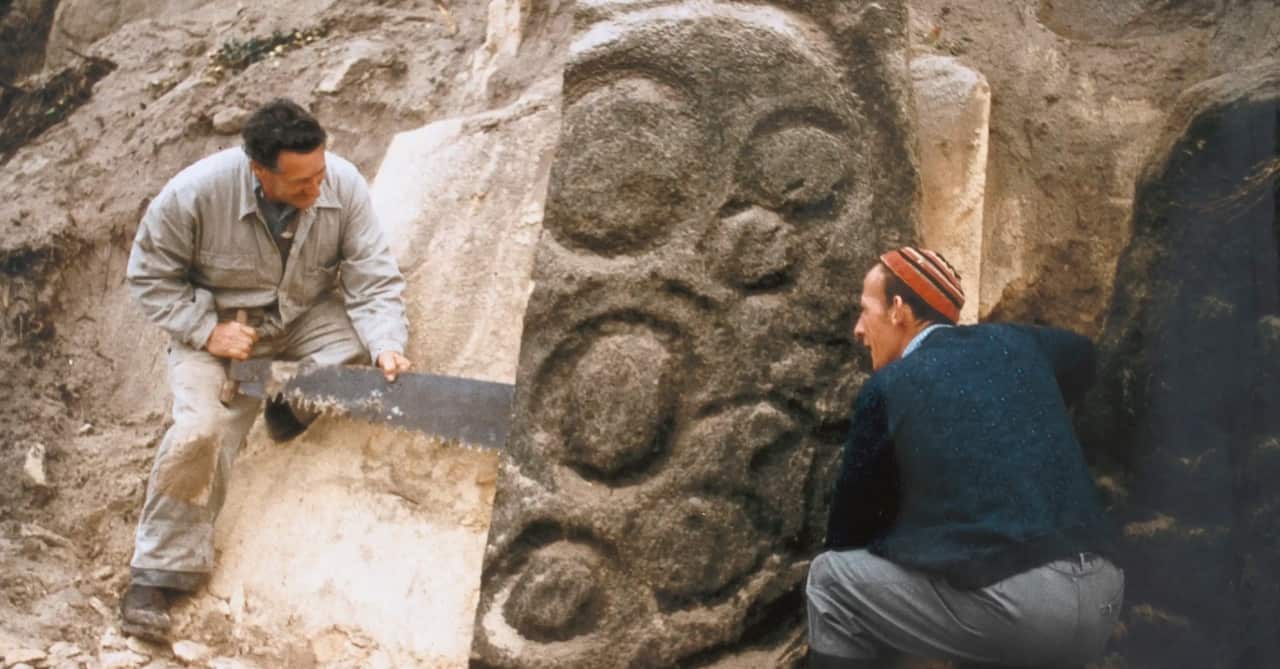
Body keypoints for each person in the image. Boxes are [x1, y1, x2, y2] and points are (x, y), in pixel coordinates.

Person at [119, 98, 412, 641]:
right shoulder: (193, 194)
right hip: (217, 332)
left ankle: (282, 403)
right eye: (301, 184)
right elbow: (148, 277)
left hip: (300, 318)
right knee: (201, 432)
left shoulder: (341, 183)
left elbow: (373, 275)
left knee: (348, 361)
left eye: (320, 175)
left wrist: (387, 345)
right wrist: (208, 330)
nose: (316, 191)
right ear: (259, 170)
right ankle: (156, 575)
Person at [806, 247, 1122, 668]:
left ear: (898, 310)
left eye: (865, 311)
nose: (858, 330)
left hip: (1024, 613)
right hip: (1105, 595)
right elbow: (1084, 356)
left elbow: (849, 534)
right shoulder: (1018, 342)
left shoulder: (888, 386)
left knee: (830, 580)